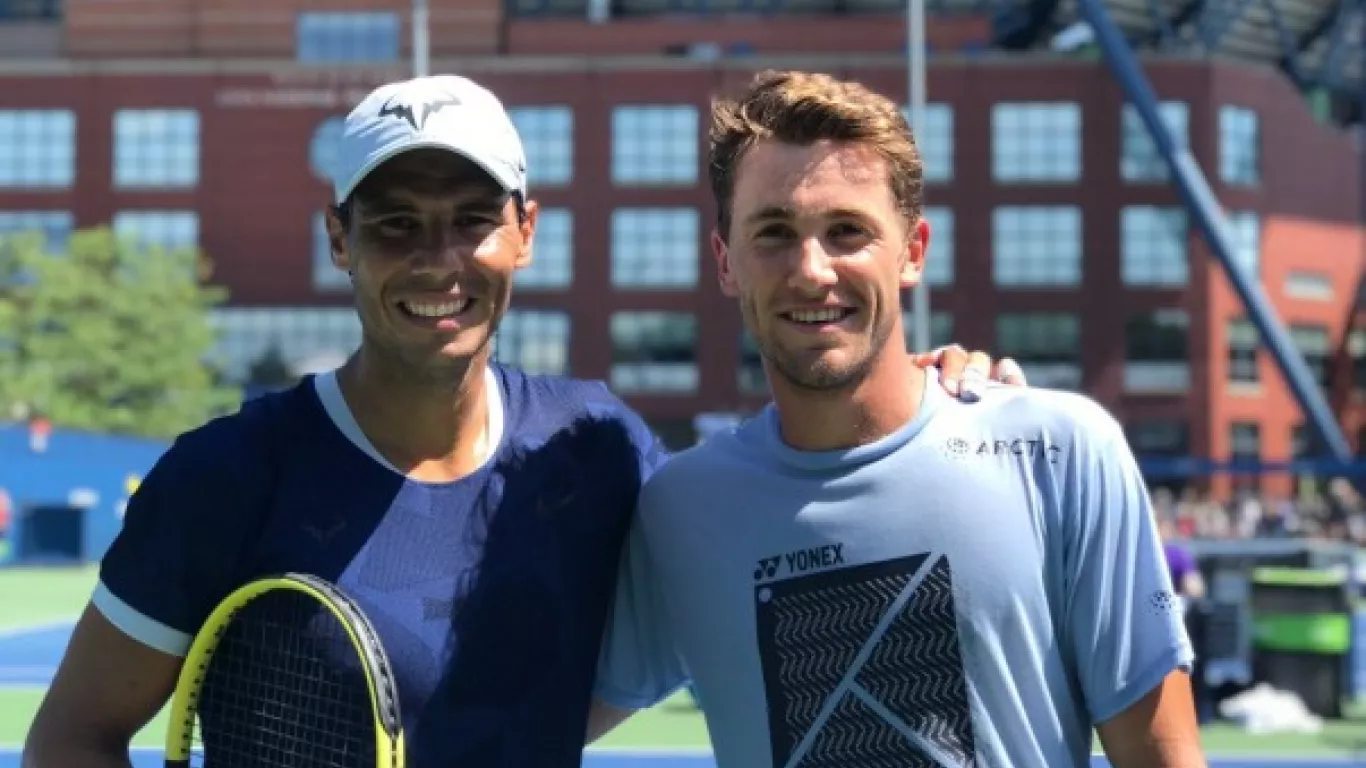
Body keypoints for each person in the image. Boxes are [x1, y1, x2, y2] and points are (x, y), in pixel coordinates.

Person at [22, 74, 1023, 766]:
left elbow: (779, 505)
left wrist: (919, 395)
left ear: (525, 232)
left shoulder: (599, 451)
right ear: (339, 240)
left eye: (472, 219)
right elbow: (70, 738)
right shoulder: (227, 475)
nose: (438, 258)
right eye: (395, 224)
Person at [597, 70, 1206, 768]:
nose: (812, 270)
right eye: (774, 233)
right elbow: (519, 719)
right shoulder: (680, 510)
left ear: (912, 252)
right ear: (725, 260)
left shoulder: (1058, 451)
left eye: (846, 231)